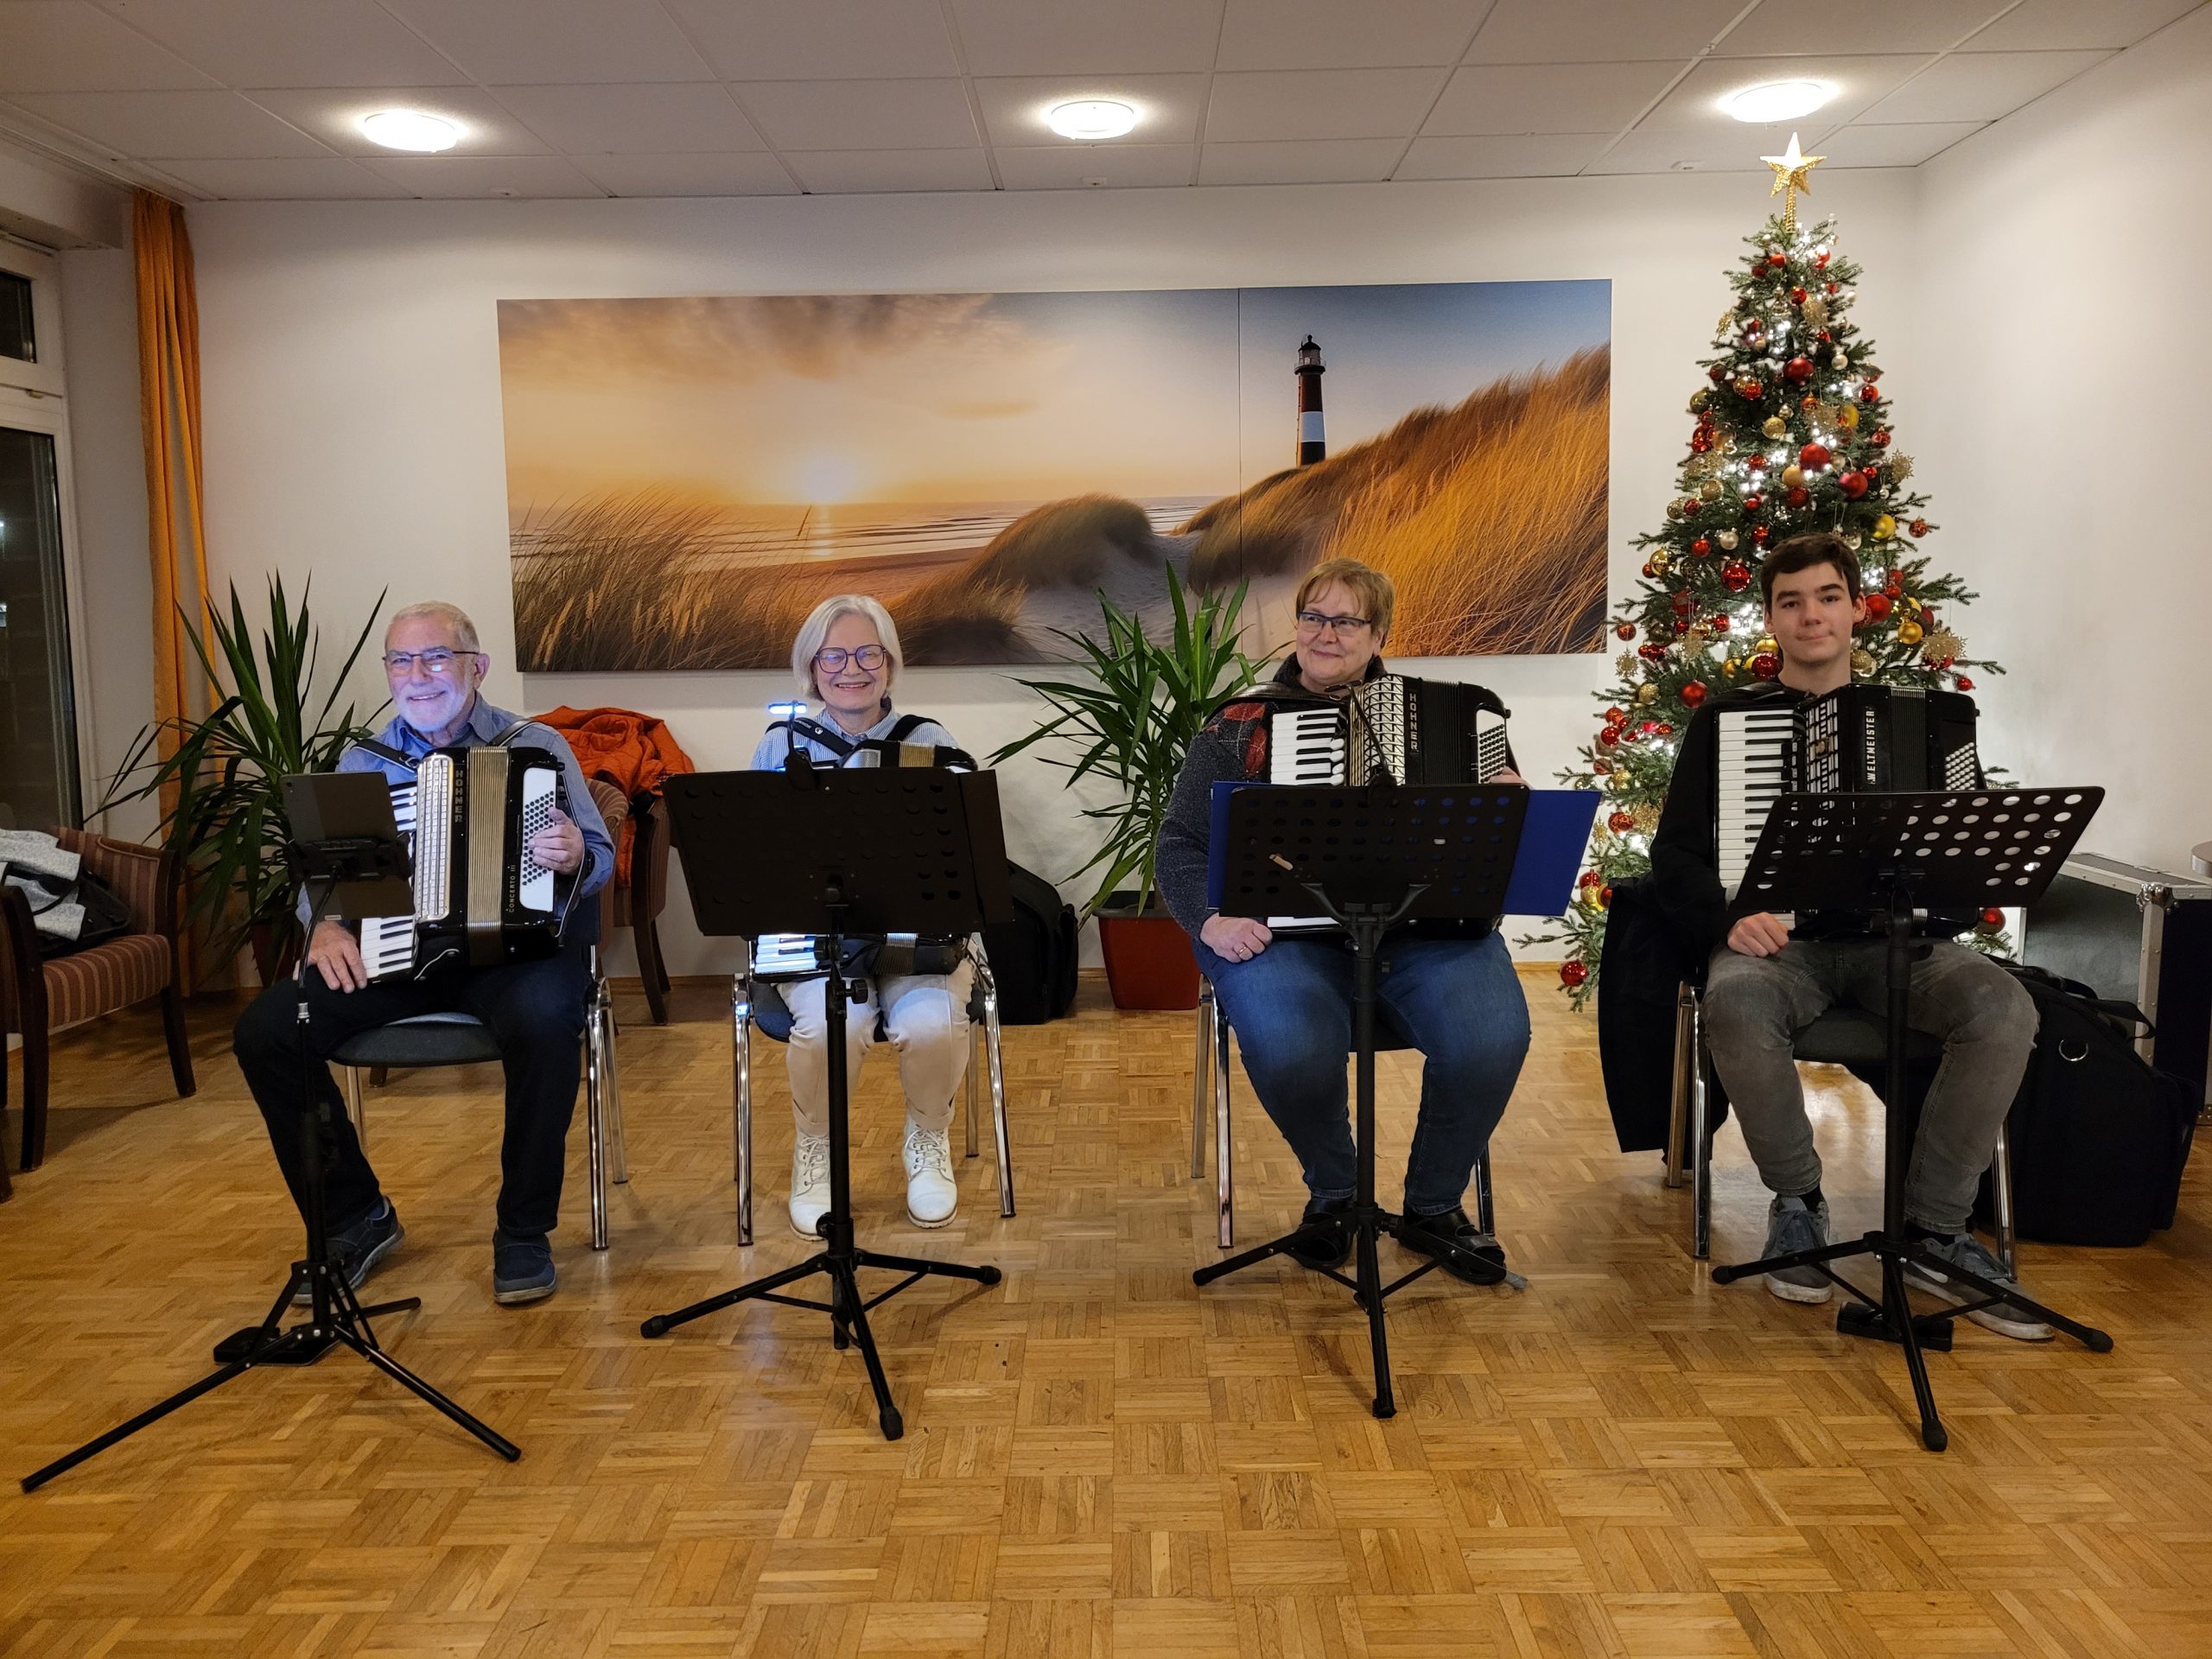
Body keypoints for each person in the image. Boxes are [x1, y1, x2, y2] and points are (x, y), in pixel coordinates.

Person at [1648, 531, 2048, 1338]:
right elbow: (1675, 854)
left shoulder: (1930, 722)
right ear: (1770, 618)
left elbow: (1965, 856)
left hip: (1903, 945)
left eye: (1828, 597)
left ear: (1858, 608)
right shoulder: (1727, 722)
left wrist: (1950, 894)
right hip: (1779, 949)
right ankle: (1798, 1204)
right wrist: (1730, 917)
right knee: (1735, 1004)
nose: (1811, 616)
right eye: (1790, 602)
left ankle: (1935, 1230)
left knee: (2004, 1010)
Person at [1154, 557, 1531, 1282]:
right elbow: (1178, 841)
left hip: (1426, 934)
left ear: (1380, 633)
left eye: (1346, 620)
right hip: (1288, 939)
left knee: (1492, 1039)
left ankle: (1432, 1207)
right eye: (1312, 616)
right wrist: (1210, 919)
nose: (1325, 633)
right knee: (1289, 1046)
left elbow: (1497, 846)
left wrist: (1510, 809)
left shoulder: (1461, 715)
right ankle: (1335, 1195)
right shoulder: (1240, 724)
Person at [232, 601, 613, 1306]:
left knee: (544, 1020)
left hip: (514, 955)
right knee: (271, 1028)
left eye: (436, 657)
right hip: (398, 957)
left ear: (477, 666)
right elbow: (325, 879)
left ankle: (523, 1229)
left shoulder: (535, 745)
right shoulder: (362, 762)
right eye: (402, 661)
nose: (419, 674)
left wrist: (573, 855)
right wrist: (324, 927)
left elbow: (599, 856)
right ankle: (355, 1217)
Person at [749, 594, 974, 1237]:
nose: (851, 669)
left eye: (868, 654)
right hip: (815, 939)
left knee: (930, 1022)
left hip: (916, 937)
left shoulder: (929, 742)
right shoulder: (781, 746)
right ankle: (816, 1150)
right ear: (811, 667)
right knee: (833, 1024)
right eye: (833, 656)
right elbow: (758, 861)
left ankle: (927, 1139)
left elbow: (965, 856)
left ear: (890, 663)